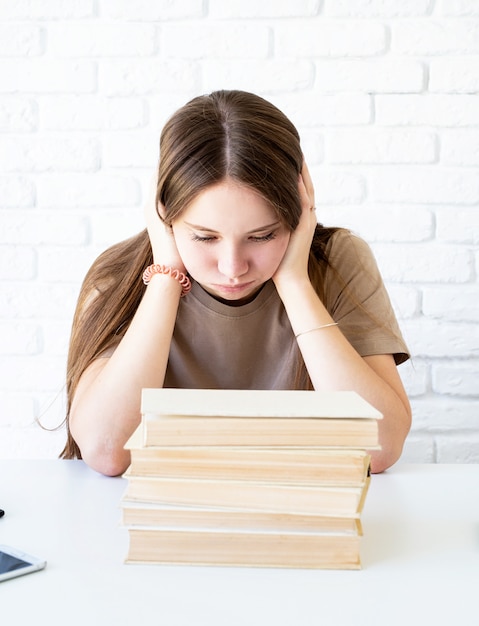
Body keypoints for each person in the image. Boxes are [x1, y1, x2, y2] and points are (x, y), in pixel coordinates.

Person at [61, 89, 411, 477]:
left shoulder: (336, 261)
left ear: (299, 215)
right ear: (164, 215)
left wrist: (293, 281)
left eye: (262, 236)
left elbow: (380, 446)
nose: (232, 267)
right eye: (204, 237)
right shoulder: (116, 277)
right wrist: (165, 277)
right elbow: (106, 450)